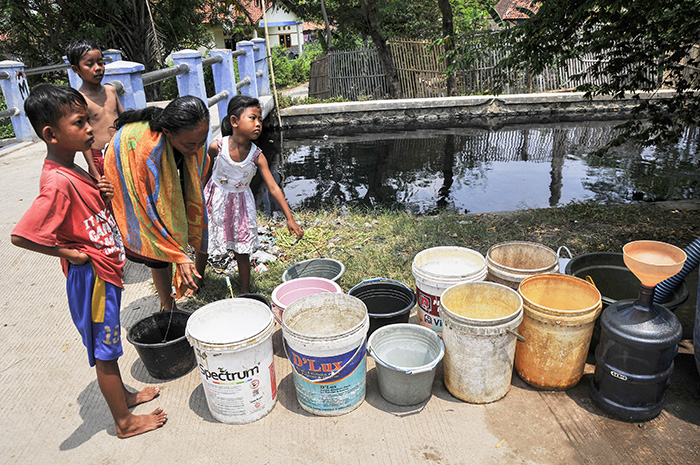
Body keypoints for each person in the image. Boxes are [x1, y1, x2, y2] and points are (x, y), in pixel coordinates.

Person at [10, 83, 166, 438]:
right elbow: (22, 235)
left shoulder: (73, 170)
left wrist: (102, 194)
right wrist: (70, 254)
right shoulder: (56, 182)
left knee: (107, 344)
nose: (90, 129)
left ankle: (123, 397)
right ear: (51, 134)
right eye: (79, 123)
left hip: (104, 271)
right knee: (105, 350)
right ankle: (124, 423)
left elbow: (83, 215)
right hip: (92, 277)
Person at [104, 96, 210, 311]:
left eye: (201, 141)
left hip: (165, 170)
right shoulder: (147, 149)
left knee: (183, 226)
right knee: (158, 254)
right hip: (133, 177)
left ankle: (193, 280)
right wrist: (178, 255)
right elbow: (147, 208)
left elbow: (197, 182)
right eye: (190, 144)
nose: (197, 148)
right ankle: (167, 306)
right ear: (169, 133)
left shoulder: (193, 140)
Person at [205, 95, 303, 294]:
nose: (258, 124)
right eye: (253, 118)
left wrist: (290, 218)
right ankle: (196, 282)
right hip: (215, 202)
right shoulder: (217, 147)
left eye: (259, 119)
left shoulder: (257, 156)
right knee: (204, 242)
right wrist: (196, 203)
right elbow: (203, 176)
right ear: (234, 121)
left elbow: (274, 187)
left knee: (242, 249)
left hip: (240, 206)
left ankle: (245, 290)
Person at [66, 39, 124, 178]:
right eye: (89, 64)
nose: (98, 68)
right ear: (76, 69)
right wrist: (95, 174)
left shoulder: (111, 90)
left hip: (121, 151)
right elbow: (84, 140)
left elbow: (124, 121)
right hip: (100, 158)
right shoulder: (79, 100)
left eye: (100, 62)